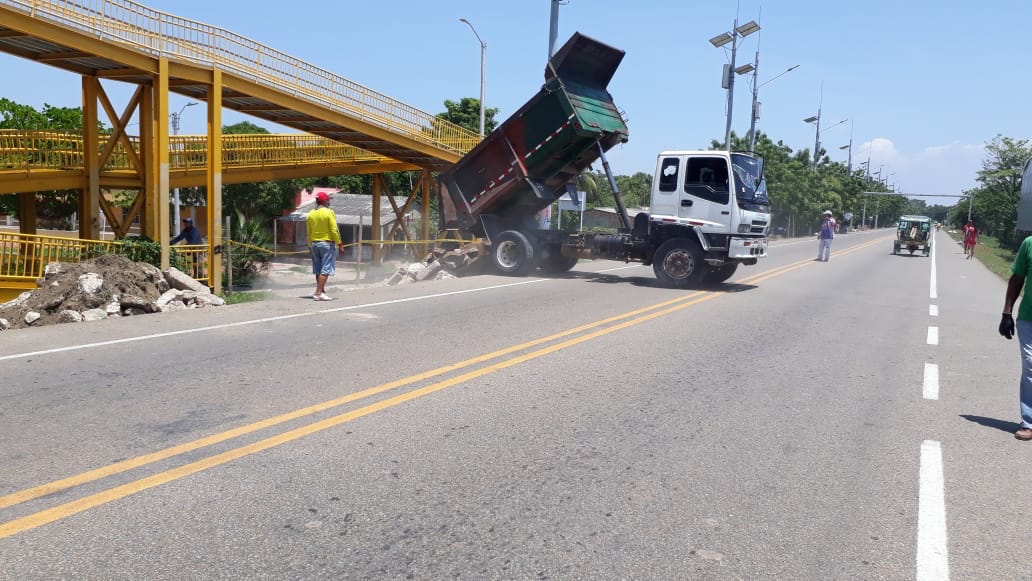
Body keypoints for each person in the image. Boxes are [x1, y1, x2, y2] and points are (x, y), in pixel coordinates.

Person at [998, 234, 1032, 440]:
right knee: (1031, 365)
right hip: (1029, 317)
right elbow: (1017, 278)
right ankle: (1029, 421)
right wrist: (1006, 313)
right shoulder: (1029, 244)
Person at [306, 191, 343, 301]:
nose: (329, 202)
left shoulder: (310, 213)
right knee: (326, 269)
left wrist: (309, 245)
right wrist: (340, 243)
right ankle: (318, 293)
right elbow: (334, 230)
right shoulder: (329, 212)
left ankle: (321, 291)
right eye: (328, 200)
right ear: (324, 201)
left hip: (314, 244)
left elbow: (309, 232)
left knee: (318, 269)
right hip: (326, 244)